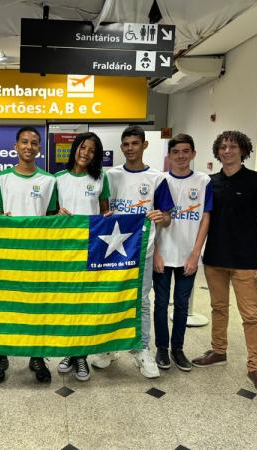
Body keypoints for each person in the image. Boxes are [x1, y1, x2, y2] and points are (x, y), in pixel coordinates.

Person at [192, 130, 257, 399]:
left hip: (245, 262)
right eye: (223, 147)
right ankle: (218, 351)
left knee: (250, 316)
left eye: (233, 146)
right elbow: (205, 219)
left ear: (243, 150)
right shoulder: (211, 182)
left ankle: (256, 368)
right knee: (218, 308)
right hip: (215, 258)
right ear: (217, 152)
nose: (227, 151)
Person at [91, 125, 174, 379]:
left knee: (140, 301)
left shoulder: (158, 178)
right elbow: (103, 212)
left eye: (135, 144)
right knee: (111, 298)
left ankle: (142, 349)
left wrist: (162, 217)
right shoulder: (110, 175)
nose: (130, 149)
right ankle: (109, 347)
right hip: (111, 250)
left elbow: (168, 218)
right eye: (125, 144)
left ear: (144, 145)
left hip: (141, 251)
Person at [0, 126, 58, 383]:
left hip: (37, 257)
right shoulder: (1, 179)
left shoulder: (49, 181)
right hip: (6, 256)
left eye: (34, 143)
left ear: (39, 148)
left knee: (36, 308)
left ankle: (37, 356)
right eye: (24, 142)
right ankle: (1, 356)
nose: (29, 147)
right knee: (4, 307)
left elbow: (52, 219)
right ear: (16, 146)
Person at [152, 133, 212, 372]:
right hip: (163, 254)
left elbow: (206, 218)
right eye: (175, 152)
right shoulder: (160, 180)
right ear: (169, 155)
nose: (180, 156)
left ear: (193, 154)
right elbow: (155, 219)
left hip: (188, 255)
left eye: (185, 151)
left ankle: (178, 349)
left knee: (182, 305)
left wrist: (195, 254)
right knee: (160, 304)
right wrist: (156, 252)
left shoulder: (203, 181)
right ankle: (161, 349)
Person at [55, 132, 110, 382]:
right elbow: (49, 214)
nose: (85, 153)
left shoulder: (101, 178)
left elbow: (105, 212)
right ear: (74, 148)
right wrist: (56, 211)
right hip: (64, 250)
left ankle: (81, 356)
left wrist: (108, 218)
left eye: (91, 150)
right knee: (66, 304)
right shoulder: (57, 179)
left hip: (90, 251)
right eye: (82, 147)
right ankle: (69, 351)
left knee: (85, 305)